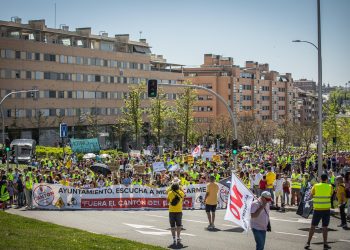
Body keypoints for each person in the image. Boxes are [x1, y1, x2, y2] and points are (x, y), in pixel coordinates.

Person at [304, 174, 333, 250]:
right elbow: (331, 195)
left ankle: (308, 243)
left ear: (320, 179)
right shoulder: (330, 187)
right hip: (326, 210)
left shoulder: (316, 186)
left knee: (313, 226)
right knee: (325, 227)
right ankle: (325, 244)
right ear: (327, 179)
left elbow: (311, 196)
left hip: (317, 209)